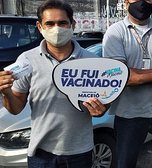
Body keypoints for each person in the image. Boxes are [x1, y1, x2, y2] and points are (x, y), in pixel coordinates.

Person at [0, 0, 108, 167]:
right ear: (39, 26)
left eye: (62, 23)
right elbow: (15, 108)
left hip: (79, 150)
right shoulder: (27, 60)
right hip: (41, 152)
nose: (56, 29)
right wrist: (6, 92)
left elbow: (103, 103)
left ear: (72, 24)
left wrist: (101, 110)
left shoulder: (93, 61)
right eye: (49, 23)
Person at [102, 0, 152, 167]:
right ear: (126, 2)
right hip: (128, 114)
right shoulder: (114, 32)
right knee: (125, 163)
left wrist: (136, 76)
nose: (142, 2)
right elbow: (120, 77)